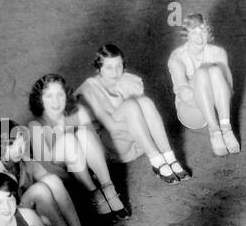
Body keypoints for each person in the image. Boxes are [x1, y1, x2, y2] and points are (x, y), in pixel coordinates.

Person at [77, 45, 190, 183]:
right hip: (111, 147)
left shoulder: (128, 81)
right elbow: (112, 127)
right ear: (98, 68)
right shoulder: (91, 88)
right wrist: (142, 128)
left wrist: (141, 128)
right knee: (130, 105)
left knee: (145, 102)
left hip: (134, 143)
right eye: (109, 67)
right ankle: (157, 161)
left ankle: (169, 157)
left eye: (119, 65)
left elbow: (147, 115)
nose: (115, 72)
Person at [24, 75, 129, 217]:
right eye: (49, 96)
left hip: (93, 168)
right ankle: (94, 194)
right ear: (40, 100)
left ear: (66, 95)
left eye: (59, 94)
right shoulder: (35, 125)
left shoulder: (78, 111)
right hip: (68, 180)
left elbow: (96, 145)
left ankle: (109, 189)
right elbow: (47, 169)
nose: (56, 101)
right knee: (68, 139)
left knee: (84, 134)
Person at [167, 13, 238, 156]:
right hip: (191, 111)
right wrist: (206, 89)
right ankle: (214, 131)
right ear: (186, 35)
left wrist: (212, 91)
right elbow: (185, 97)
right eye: (194, 33)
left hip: (218, 109)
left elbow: (229, 90)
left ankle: (226, 128)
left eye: (203, 31)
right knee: (202, 74)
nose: (199, 38)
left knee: (215, 71)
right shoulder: (177, 57)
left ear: (209, 32)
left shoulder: (218, 52)